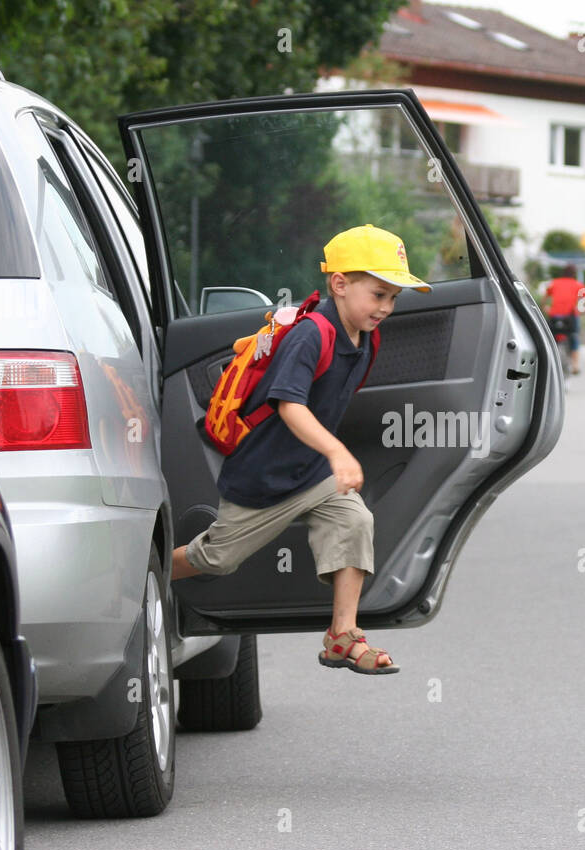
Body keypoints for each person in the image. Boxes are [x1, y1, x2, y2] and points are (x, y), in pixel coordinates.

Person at [170, 224, 430, 675]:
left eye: (393, 298)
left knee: (354, 520)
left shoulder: (364, 338)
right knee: (216, 557)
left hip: (309, 473)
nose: (386, 308)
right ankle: (143, 576)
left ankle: (342, 636)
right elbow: (290, 406)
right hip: (262, 479)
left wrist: (326, 459)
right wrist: (338, 453)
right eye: (379, 294)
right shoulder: (312, 334)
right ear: (340, 284)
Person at [543, 264, 585, 375]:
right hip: (570, 317)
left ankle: (549, 361)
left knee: (550, 338)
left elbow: (544, 299)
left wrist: (547, 308)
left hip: (554, 316)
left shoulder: (554, 283)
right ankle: (575, 365)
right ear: (574, 274)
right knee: (574, 336)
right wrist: (580, 311)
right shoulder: (578, 285)